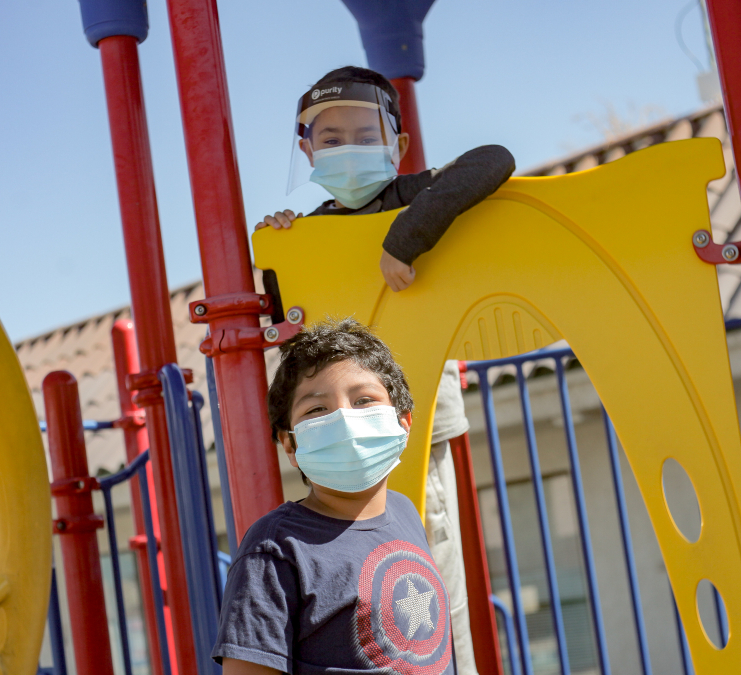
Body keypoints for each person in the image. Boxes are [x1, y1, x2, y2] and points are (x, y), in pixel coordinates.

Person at [255, 65, 513, 674]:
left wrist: (407, 237)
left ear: (396, 145)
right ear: (307, 150)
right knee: (361, 568)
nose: (348, 151)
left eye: (364, 136)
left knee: (432, 559)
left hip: (415, 411)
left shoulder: (413, 196)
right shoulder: (311, 231)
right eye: (332, 139)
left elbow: (493, 159)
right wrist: (277, 253)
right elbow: (279, 316)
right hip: (341, 430)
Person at [213, 318, 454, 675]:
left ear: (403, 423)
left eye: (364, 400)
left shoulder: (405, 512)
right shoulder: (275, 548)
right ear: (290, 444)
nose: (344, 419)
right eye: (316, 410)